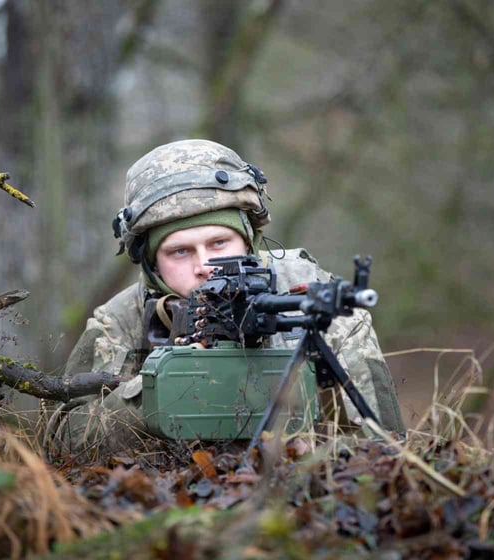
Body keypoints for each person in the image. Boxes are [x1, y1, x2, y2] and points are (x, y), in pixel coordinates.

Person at [45, 139, 404, 457]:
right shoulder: (122, 319)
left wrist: (305, 455)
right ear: (152, 262)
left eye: (219, 243)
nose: (205, 266)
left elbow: (384, 444)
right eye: (180, 252)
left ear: (248, 240)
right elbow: (62, 441)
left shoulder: (310, 299)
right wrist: (155, 394)